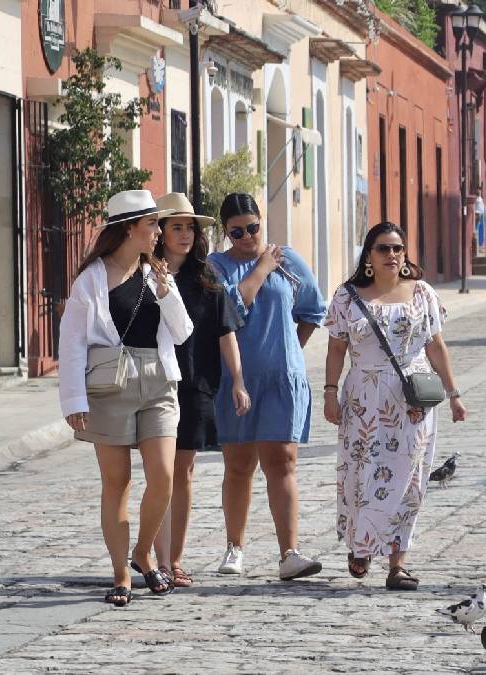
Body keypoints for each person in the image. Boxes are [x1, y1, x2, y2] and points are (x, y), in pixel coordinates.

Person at [58, 189, 193, 607]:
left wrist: (168, 293)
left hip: (158, 381)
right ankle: (122, 573)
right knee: (117, 482)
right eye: (152, 224)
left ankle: (143, 550)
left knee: (164, 477)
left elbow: (184, 331)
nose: (158, 232)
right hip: (109, 385)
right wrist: (73, 400)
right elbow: (73, 343)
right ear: (129, 228)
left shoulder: (158, 274)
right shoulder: (91, 279)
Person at [322, 222, 467, 590]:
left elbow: (436, 346)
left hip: (412, 399)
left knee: (409, 479)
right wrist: (328, 392)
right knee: (363, 473)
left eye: (398, 249)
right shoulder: (347, 296)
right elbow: (337, 348)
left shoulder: (422, 294)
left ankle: (397, 563)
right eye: (384, 248)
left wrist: (454, 395)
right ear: (369, 255)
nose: (392, 255)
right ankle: (361, 543)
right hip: (363, 399)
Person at [207, 192, 327, 580]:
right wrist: (261, 268)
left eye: (252, 227)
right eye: (236, 231)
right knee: (238, 466)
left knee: (283, 463)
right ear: (226, 233)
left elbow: (312, 310)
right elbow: (232, 308)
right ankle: (234, 548)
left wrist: (291, 348)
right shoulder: (217, 266)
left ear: (263, 221)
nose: (246, 236)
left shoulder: (289, 260)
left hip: (280, 378)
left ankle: (289, 553)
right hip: (235, 379)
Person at [145, 192, 250, 588]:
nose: (185, 234)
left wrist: (238, 381)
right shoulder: (143, 275)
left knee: (183, 471)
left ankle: (173, 559)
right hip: (154, 382)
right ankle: (151, 556)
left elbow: (226, 334)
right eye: (177, 227)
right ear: (161, 233)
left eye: (190, 228)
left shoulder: (208, 278)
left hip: (196, 383)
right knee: (160, 471)